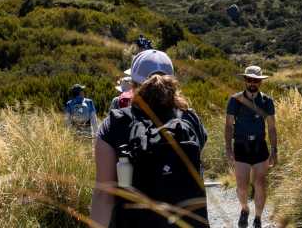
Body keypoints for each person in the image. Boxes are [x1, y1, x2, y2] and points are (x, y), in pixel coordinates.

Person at [90, 52, 208, 227]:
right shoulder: (190, 120)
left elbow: (104, 195)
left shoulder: (115, 124)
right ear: (172, 83)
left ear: (133, 84)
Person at [225, 65, 280, 228]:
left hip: (259, 146)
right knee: (242, 186)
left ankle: (257, 218)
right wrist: (228, 148)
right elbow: (229, 126)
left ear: (260, 82)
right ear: (245, 81)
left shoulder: (267, 101)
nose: (252, 83)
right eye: (249, 80)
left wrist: (274, 150)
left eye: (255, 80)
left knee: (260, 184)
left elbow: (271, 127)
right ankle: (244, 209)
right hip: (241, 146)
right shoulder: (235, 100)